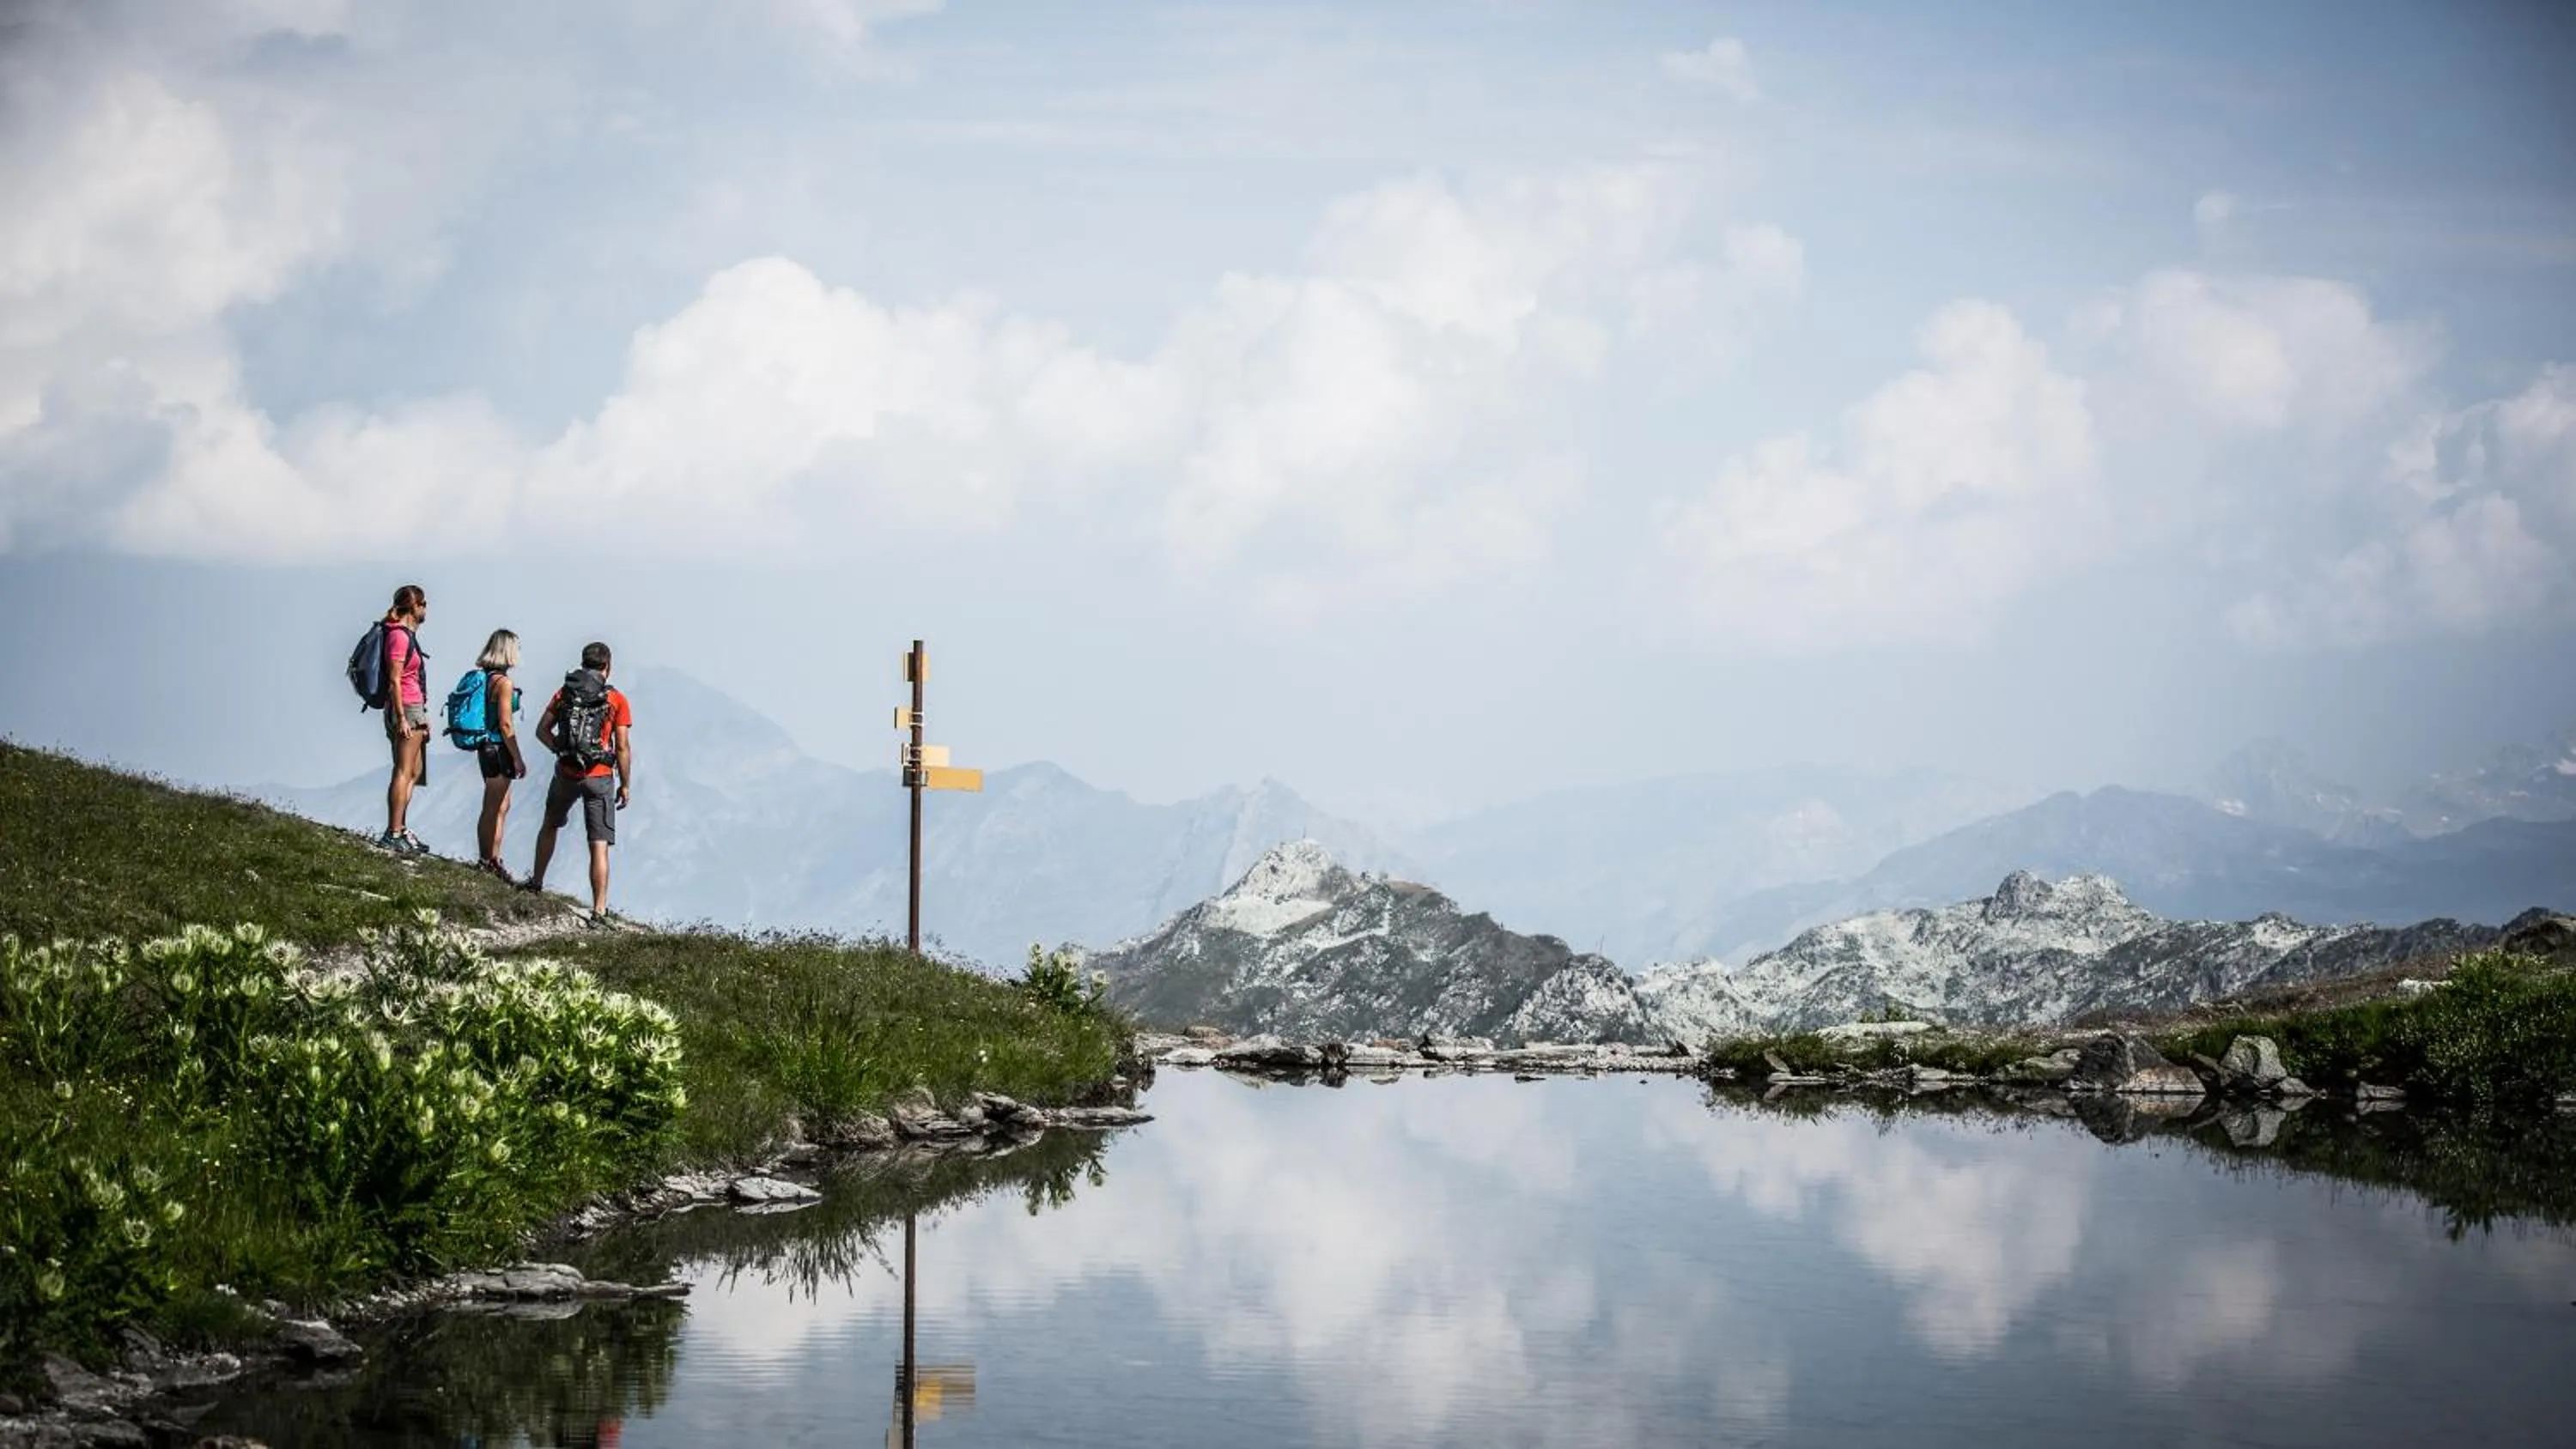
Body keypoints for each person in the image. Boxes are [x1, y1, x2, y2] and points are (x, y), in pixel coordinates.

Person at [527, 641, 634, 926]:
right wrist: (625, 783)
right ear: (607, 667)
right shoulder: (617, 700)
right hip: (599, 777)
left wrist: (561, 752)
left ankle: (536, 883)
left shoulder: (565, 692)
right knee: (598, 844)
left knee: (550, 825)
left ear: (583, 663)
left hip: (566, 772)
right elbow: (622, 746)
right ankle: (599, 910)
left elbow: (541, 730)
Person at [469, 628, 530, 881]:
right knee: (494, 807)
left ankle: (492, 857)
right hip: (497, 747)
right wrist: (517, 757)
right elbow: (506, 724)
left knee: (501, 805)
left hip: (486, 747)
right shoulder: (503, 683)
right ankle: (488, 859)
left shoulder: (486, 678)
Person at [377, 585, 431, 855]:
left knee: (414, 771)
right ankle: (393, 831)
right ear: (415, 606)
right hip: (406, 707)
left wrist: (423, 715)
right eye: (424, 604)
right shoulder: (398, 637)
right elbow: (395, 680)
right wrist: (402, 717)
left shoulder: (406, 635)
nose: (427, 609)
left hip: (414, 707)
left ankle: (400, 828)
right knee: (403, 770)